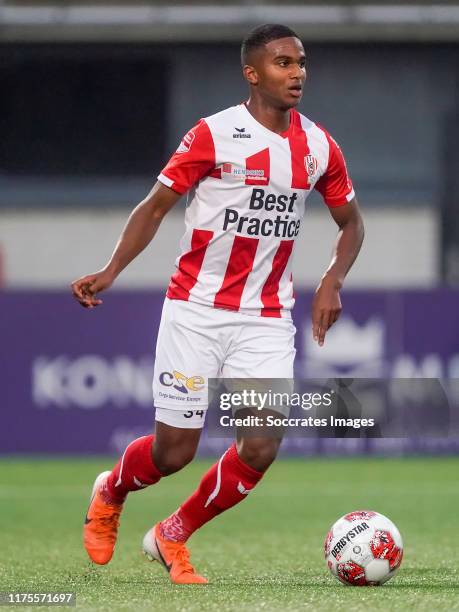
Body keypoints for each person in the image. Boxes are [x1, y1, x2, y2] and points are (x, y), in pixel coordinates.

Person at [71, 23, 364, 585]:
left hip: (266, 317)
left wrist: (333, 278)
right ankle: (111, 490)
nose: (296, 72)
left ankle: (172, 534)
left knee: (259, 446)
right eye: (282, 63)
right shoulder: (213, 134)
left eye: (300, 62)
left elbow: (351, 223)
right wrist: (111, 269)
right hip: (196, 311)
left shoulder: (320, 147)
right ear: (252, 74)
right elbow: (155, 206)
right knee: (174, 452)